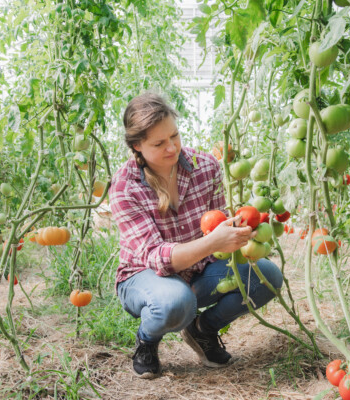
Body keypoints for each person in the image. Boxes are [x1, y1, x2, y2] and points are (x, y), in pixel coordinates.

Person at [109, 92, 283, 379]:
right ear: (137, 146)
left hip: (198, 269)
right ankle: (147, 341)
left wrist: (241, 232)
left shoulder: (206, 166)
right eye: (159, 143)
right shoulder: (124, 188)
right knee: (176, 302)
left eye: (174, 136)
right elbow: (157, 259)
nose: (172, 147)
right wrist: (213, 241)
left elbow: (219, 229)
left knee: (267, 278)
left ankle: (203, 329)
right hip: (144, 277)